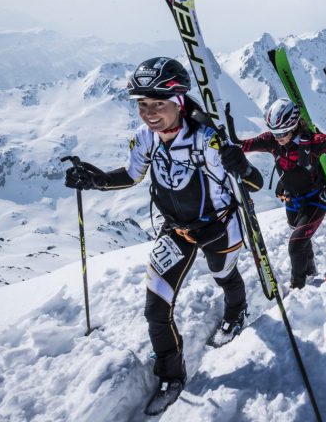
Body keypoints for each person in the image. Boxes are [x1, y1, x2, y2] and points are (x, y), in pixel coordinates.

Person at [63, 57, 263, 410]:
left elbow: (254, 183)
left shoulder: (207, 140)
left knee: (224, 274)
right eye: (142, 104)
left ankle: (236, 310)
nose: (149, 113)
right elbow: (132, 174)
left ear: (179, 101)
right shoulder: (145, 138)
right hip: (175, 231)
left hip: (218, 226)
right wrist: (96, 180)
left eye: (158, 104)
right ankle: (171, 374)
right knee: (156, 309)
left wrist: (240, 163)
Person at [225, 98, 326, 289]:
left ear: (294, 125)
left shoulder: (313, 140)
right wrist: (227, 124)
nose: (278, 138)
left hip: (316, 199)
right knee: (301, 237)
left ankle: (298, 289)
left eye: (283, 133)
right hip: (293, 199)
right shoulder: (271, 140)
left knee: (295, 245)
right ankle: (310, 272)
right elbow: (240, 145)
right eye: (275, 132)